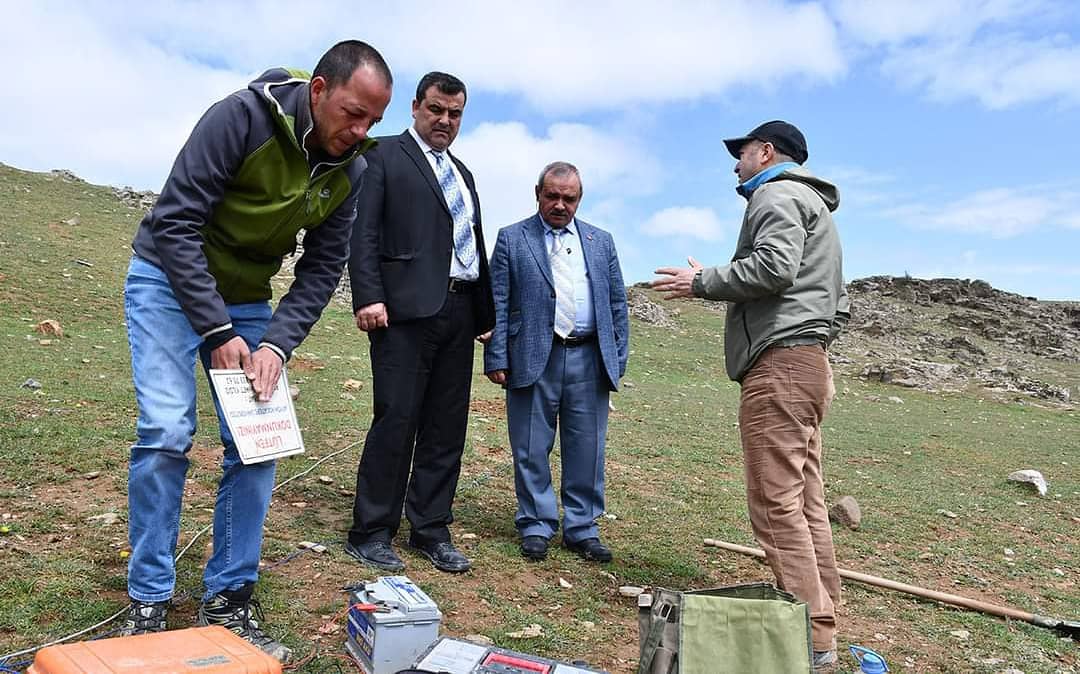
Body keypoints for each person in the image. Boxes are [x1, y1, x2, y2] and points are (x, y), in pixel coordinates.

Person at [120, 41, 392, 662]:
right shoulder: (238, 118)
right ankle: (148, 597)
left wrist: (276, 343)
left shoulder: (351, 170)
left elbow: (322, 270)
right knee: (166, 430)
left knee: (259, 438)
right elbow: (176, 222)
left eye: (373, 121)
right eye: (352, 113)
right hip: (166, 278)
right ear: (319, 91)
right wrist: (219, 333)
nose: (360, 131)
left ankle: (230, 596)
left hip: (245, 298)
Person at [651, 120, 849, 670]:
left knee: (774, 503)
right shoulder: (820, 212)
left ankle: (808, 638)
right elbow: (840, 303)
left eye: (740, 155)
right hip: (810, 364)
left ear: (765, 152)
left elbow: (773, 267)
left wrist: (703, 282)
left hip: (780, 366)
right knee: (805, 501)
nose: (735, 165)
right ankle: (824, 623)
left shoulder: (774, 194)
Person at [346, 72, 495, 574]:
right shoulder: (382, 155)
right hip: (402, 313)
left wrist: (485, 314)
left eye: (455, 114)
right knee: (397, 418)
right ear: (415, 107)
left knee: (446, 426)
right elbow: (362, 231)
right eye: (436, 110)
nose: (445, 121)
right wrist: (368, 296)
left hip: (459, 311)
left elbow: (474, 243)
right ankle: (371, 531)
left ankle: (430, 529)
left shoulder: (465, 174)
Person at [484, 162, 629, 563]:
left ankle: (582, 527)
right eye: (553, 196)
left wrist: (616, 358)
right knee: (531, 446)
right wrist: (497, 355)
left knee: (588, 447)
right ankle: (536, 523)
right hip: (532, 356)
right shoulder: (512, 239)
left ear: (579, 199)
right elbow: (498, 301)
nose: (560, 205)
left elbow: (617, 303)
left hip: (589, 357)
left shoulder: (601, 242)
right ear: (538, 193)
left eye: (569, 198)